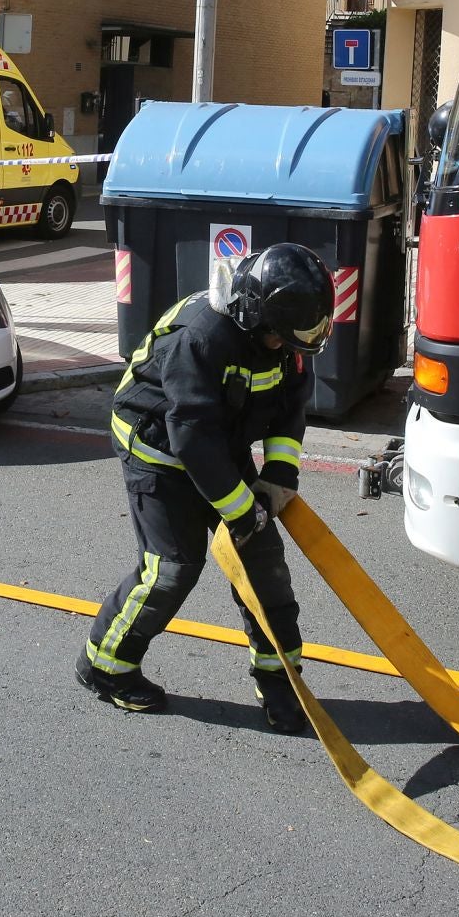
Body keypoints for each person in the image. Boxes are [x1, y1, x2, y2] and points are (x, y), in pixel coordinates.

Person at [76, 243, 335, 735]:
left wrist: (279, 475)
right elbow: (190, 435)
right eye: (285, 337)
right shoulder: (201, 336)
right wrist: (241, 510)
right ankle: (106, 667)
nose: (291, 346)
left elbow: (290, 407)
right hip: (159, 450)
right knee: (171, 569)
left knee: (265, 570)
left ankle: (281, 684)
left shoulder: (282, 336)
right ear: (259, 317)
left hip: (217, 442)